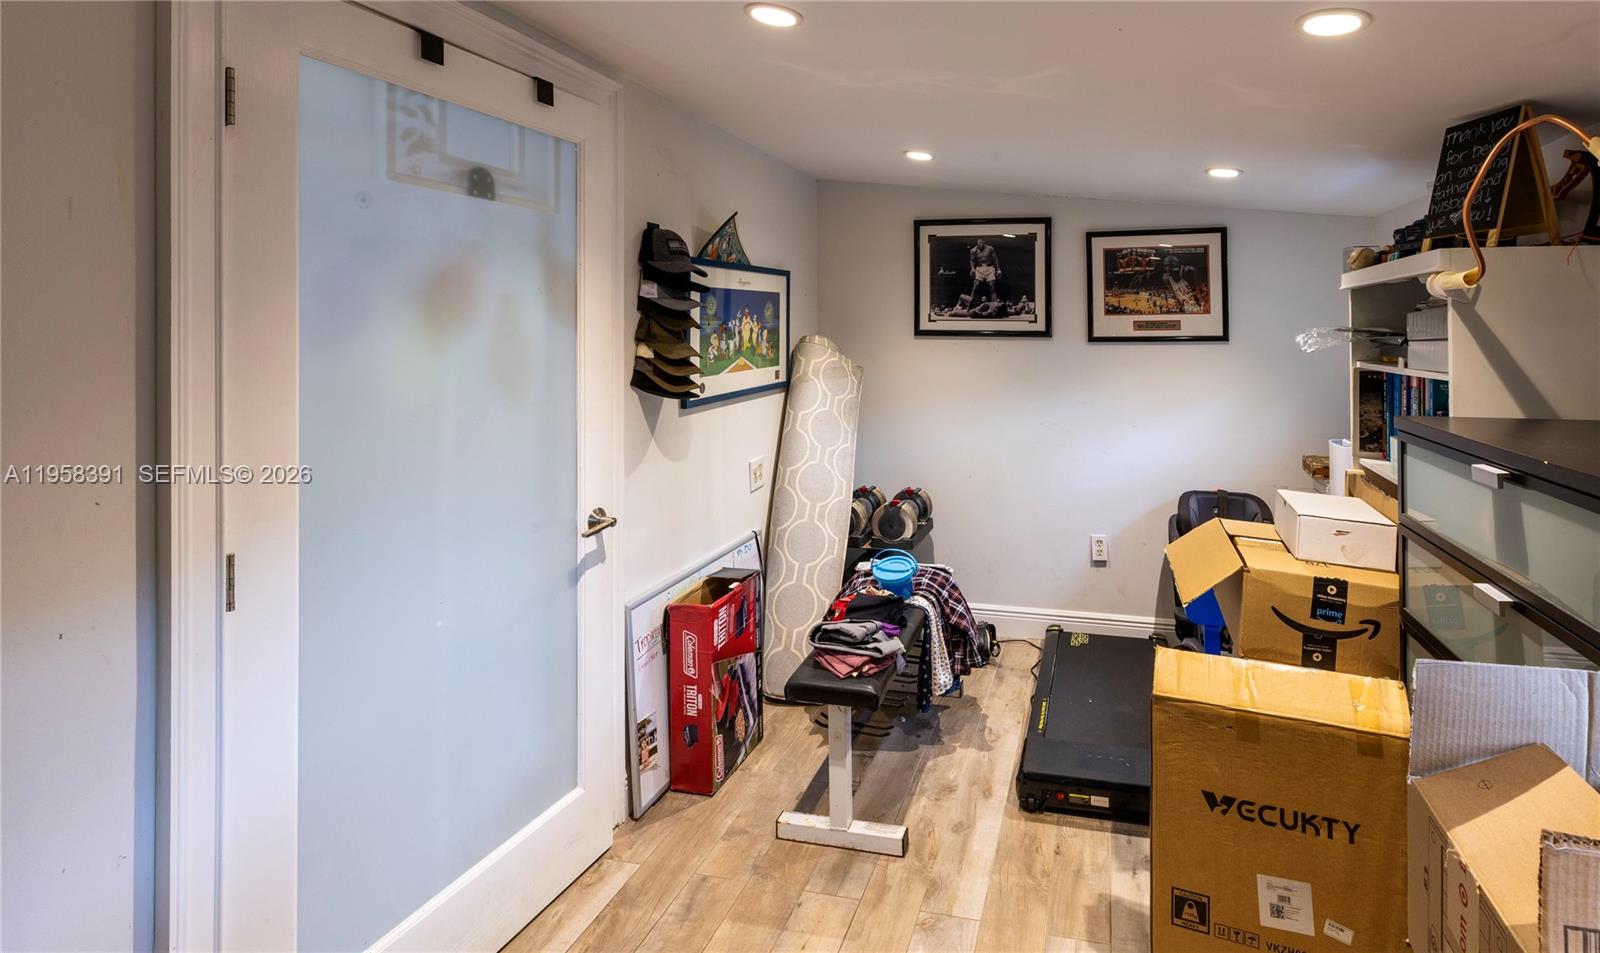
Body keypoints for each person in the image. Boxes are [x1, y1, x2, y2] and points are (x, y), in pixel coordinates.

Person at [969, 238, 1001, 304]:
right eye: (979, 244)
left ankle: (994, 304)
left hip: (989, 267)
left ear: (984, 243)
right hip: (979, 268)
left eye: (981, 243)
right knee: (975, 285)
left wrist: (998, 269)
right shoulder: (973, 250)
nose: (980, 245)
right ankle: (971, 304)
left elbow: (995, 259)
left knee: (991, 285)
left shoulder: (990, 249)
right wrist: (972, 269)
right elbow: (972, 260)